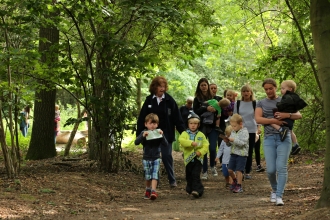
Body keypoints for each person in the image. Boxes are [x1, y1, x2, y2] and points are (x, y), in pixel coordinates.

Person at [255, 78, 302, 206]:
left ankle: (279, 195)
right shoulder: (261, 103)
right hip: (269, 138)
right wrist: (274, 121)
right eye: (266, 89)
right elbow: (258, 118)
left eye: (271, 88)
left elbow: (299, 115)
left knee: (282, 167)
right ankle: (274, 190)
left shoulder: (285, 99)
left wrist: (287, 115)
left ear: (276, 88)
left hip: (284, 137)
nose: (269, 91)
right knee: (270, 170)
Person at [136, 76, 185, 187]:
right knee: (152, 157)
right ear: (154, 87)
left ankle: (172, 180)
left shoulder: (169, 100)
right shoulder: (149, 100)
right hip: (150, 135)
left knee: (167, 155)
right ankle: (154, 182)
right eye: (159, 86)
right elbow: (142, 118)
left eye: (163, 86)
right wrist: (139, 133)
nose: (162, 89)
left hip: (165, 133)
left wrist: (184, 132)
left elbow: (177, 118)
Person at [193, 78, 223, 179]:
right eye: (201, 85)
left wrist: (215, 111)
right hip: (202, 126)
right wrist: (206, 108)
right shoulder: (197, 98)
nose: (204, 87)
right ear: (199, 87)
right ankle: (204, 170)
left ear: (208, 86)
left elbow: (220, 109)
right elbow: (195, 111)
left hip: (213, 126)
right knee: (203, 148)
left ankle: (212, 166)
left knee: (212, 147)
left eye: (205, 85)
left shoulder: (215, 97)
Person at [233, 84, 264, 179]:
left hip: (252, 129)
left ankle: (247, 171)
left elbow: (258, 117)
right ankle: (239, 170)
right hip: (241, 130)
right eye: (244, 91)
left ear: (251, 93)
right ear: (241, 93)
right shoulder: (237, 103)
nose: (246, 93)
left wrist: (258, 128)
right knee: (239, 150)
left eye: (247, 91)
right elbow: (235, 116)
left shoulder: (255, 103)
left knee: (249, 151)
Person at [135, 113, 168, 200]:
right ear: (146, 124)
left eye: (154, 124)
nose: (152, 126)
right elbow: (136, 142)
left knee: (154, 174)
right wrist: (142, 136)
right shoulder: (144, 132)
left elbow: (165, 144)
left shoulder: (158, 132)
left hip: (156, 157)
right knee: (147, 175)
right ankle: (148, 189)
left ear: (157, 124)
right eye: (150, 123)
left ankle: (153, 191)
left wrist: (162, 135)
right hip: (146, 157)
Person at [179, 113, 209, 198]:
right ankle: (190, 189)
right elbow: (181, 141)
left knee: (196, 174)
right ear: (188, 124)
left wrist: (201, 152)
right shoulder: (185, 134)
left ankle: (197, 190)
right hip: (188, 159)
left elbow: (206, 145)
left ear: (198, 125)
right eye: (191, 123)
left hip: (198, 159)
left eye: (195, 124)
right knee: (189, 175)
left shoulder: (201, 135)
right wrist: (191, 143)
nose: (193, 125)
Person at [225, 114, 249, 193]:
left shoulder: (245, 132)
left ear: (240, 124)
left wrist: (233, 140)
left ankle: (239, 185)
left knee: (239, 170)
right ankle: (235, 181)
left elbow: (243, 143)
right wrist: (227, 142)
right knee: (230, 170)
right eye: (232, 126)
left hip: (242, 154)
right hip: (233, 153)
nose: (233, 128)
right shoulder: (233, 132)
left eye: (234, 126)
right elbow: (230, 144)